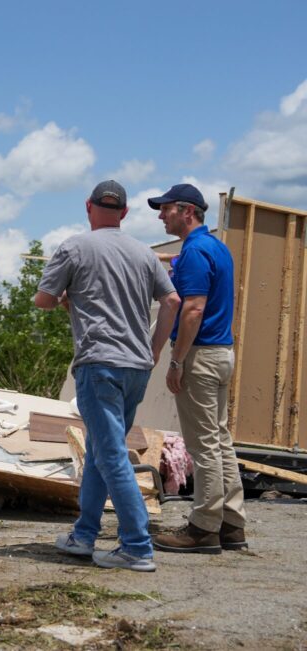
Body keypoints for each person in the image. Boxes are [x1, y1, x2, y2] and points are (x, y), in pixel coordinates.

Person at [35, 180, 180, 572]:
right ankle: (84, 536)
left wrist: (67, 297)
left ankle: (136, 546)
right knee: (101, 452)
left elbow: (44, 300)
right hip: (136, 367)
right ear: (126, 213)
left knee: (111, 454)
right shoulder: (145, 254)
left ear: (88, 207)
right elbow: (172, 301)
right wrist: (153, 350)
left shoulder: (75, 247)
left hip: (99, 364)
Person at [148, 184, 247, 554]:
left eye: (166, 209)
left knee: (202, 445)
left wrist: (176, 361)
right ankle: (231, 523)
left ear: (187, 211)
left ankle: (203, 528)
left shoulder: (194, 252)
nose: (161, 215)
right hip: (222, 352)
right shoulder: (218, 248)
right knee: (220, 440)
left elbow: (192, 309)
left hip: (201, 356)